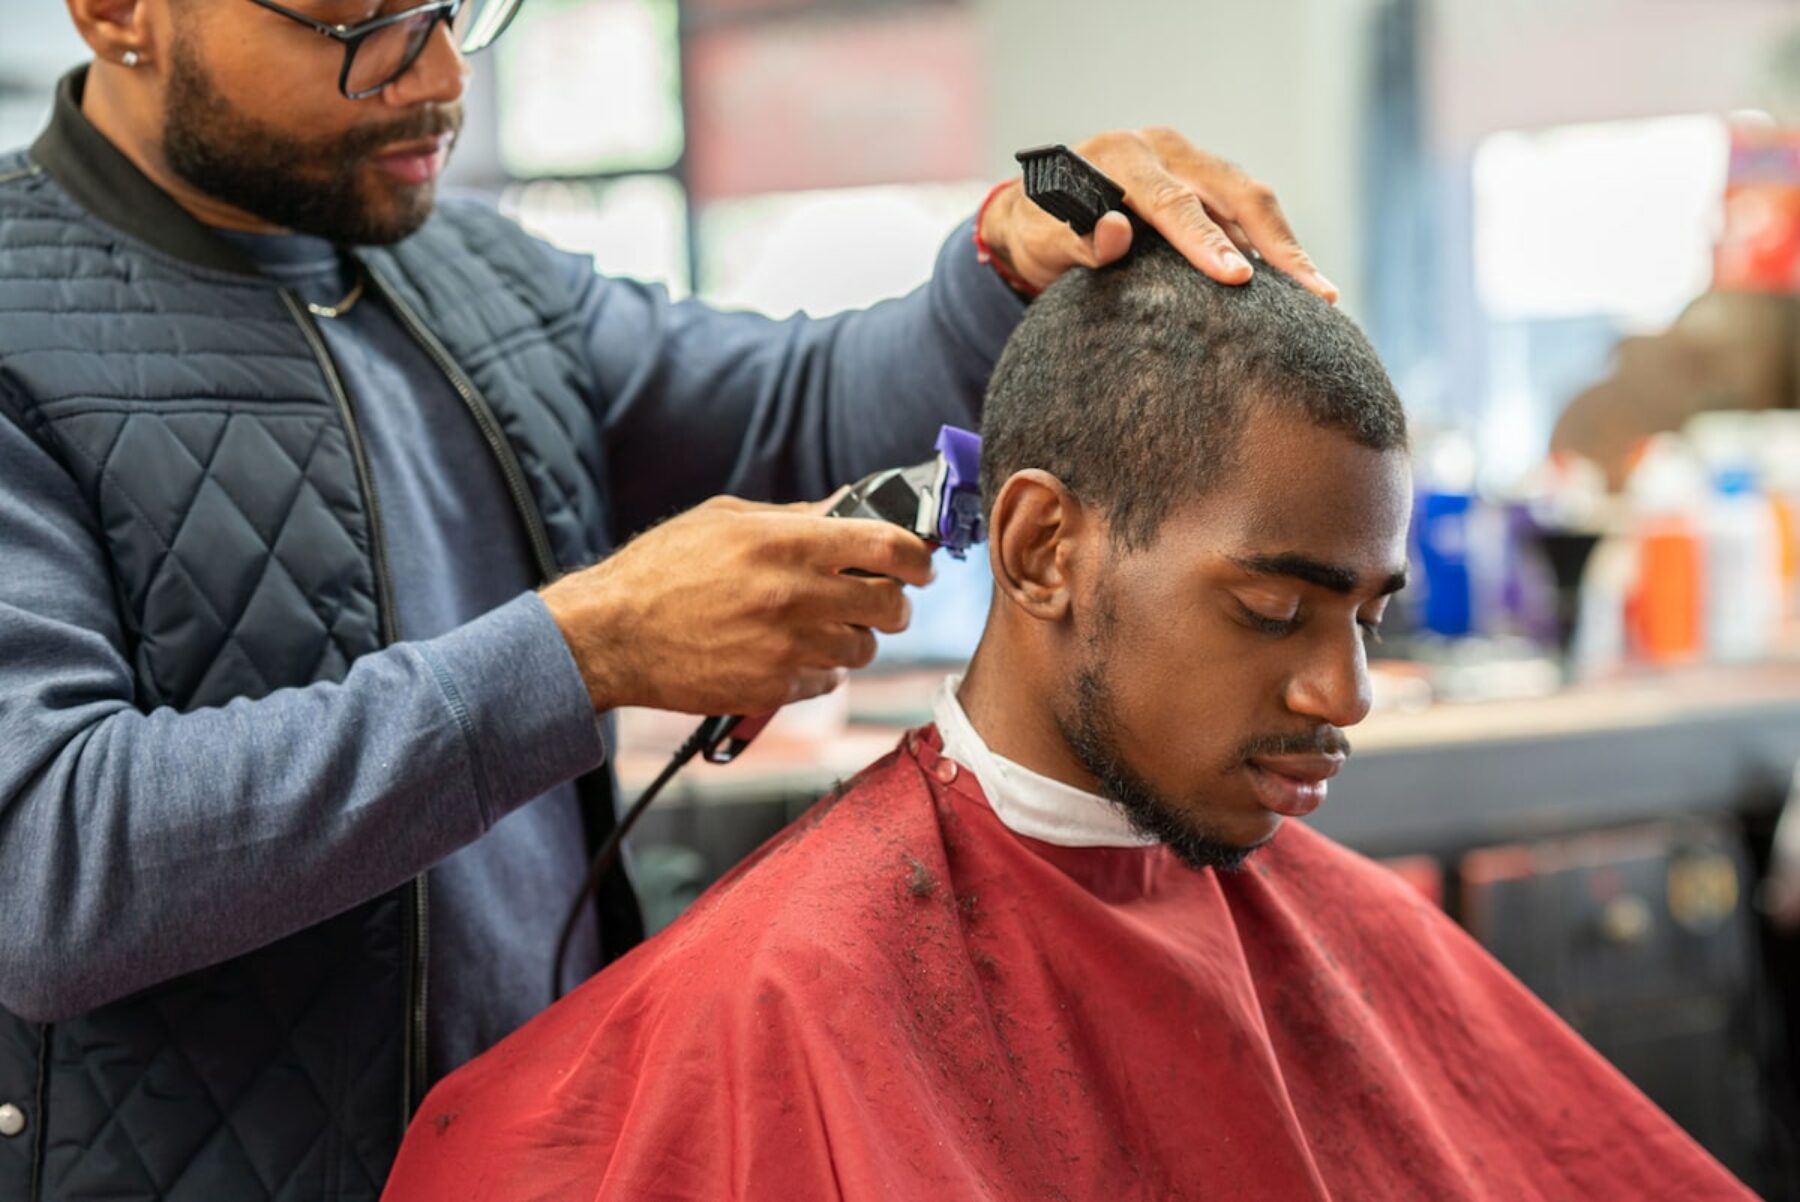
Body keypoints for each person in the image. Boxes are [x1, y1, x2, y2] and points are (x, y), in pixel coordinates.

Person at [0, 1, 1332, 1198]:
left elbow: (793, 403)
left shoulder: (479, 284)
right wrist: (587, 648)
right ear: (119, 12)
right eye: (366, 24)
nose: (444, 72)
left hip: (521, 1158)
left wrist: (1002, 264)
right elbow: (48, 870)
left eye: (458, 7)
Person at [382, 236, 1758, 1202]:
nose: (1342, 695)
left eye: (1369, 617)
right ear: (1041, 548)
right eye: (1276, 610)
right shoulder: (778, 998)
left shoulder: (1345, 932)